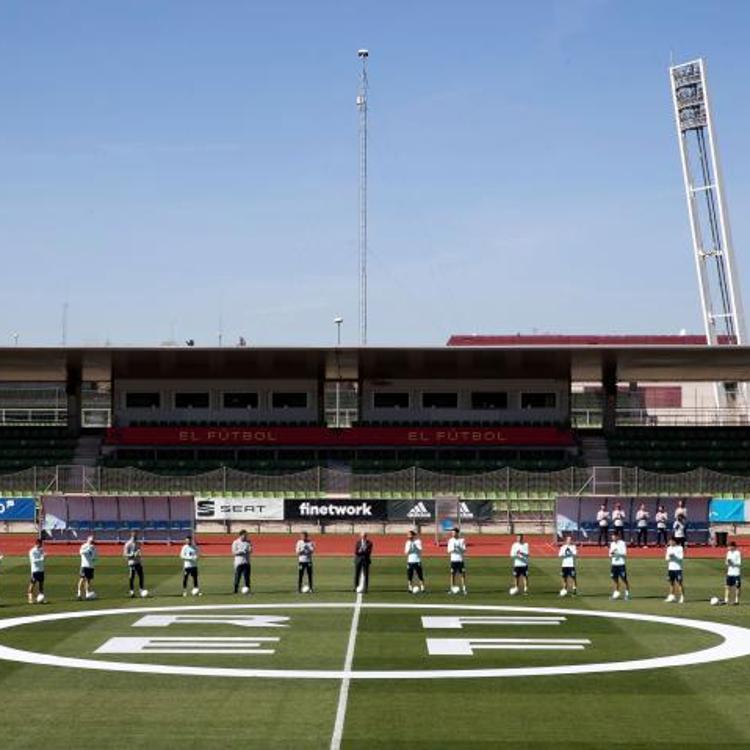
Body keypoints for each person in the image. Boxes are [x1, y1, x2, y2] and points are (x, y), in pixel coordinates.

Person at [609, 530, 630, 600]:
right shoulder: (612, 544)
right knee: (614, 579)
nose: (612, 537)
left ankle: (627, 593)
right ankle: (616, 592)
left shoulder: (622, 543)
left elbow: (624, 553)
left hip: (621, 564)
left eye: (614, 536)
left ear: (617, 536)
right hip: (614, 564)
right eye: (612, 536)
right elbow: (609, 554)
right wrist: (612, 554)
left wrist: (617, 553)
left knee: (624, 579)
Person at [123, 530, 146, 598]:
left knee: (141, 576)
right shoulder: (128, 544)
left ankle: (141, 590)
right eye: (134, 535)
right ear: (131, 535)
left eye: (136, 535)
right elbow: (124, 554)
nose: (135, 536)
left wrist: (140, 556)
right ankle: (131, 591)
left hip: (138, 562)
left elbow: (139, 551)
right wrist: (132, 555)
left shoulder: (138, 543)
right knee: (132, 577)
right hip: (132, 562)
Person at [665, 537, 685, 603]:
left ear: (674, 541)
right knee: (671, 583)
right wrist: (670, 557)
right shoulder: (669, 548)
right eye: (669, 541)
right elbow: (666, 558)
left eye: (671, 541)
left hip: (678, 568)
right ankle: (671, 596)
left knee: (679, 583)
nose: (670, 542)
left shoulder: (680, 548)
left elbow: (681, 558)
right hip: (670, 568)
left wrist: (674, 556)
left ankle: (682, 597)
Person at [447, 527, 467, 594]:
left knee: (462, 574)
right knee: (452, 574)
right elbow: (448, 551)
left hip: (460, 560)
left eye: (454, 532)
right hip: (453, 560)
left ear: (457, 533)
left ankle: (464, 588)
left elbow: (464, 550)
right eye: (452, 533)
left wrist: (459, 548)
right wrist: (453, 549)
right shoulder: (450, 540)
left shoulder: (462, 540)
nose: (452, 534)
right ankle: (452, 588)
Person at [77, 536, 98, 600]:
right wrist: (88, 549)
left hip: (91, 566)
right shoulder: (84, 546)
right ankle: (79, 593)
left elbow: (95, 556)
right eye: (91, 541)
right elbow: (81, 552)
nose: (92, 542)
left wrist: (94, 559)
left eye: (93, 541)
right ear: (88, 540)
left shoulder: (94, 547)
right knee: (82, 579)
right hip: (84, 565)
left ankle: (87, 593)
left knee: (88, 580)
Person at [232, 529, 252, 594]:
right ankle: (235, 590)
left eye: (246, 535)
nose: (246, 536)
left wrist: (248, 550)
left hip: (246, 562)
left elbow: (251, 550)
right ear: (240, 535)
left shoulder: (248, 542)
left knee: (247, 578)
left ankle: (248, 590)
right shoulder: (235, 542)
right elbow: (234, 552)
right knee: (237, 577)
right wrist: (241, 551)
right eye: (244, 535)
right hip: (238, 563)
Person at [27, 538, 45, 604]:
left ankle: (41, 598)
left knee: (41, 585)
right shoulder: (32, 551)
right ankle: (30, 598)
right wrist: (41, 559)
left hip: (41, 570)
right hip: (35, 570)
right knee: (32, 584)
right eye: (41, 544)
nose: (42, 545)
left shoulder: (41, 550)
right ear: (38, 543)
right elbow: (33, 561)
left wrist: (43, 558)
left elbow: (43, 557)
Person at [724, 540, 742, 606]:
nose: (728, 547)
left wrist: (733, 563)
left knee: (737, 587)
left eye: (729, 546)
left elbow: (739, 563)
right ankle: (726, 600)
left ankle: (736, 601)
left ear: (733, 546)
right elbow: (726, 562)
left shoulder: (738, 553)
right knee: (727, 587)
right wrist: (728, 563)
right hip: (729, 573)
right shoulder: (728, 553)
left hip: (736, 573)